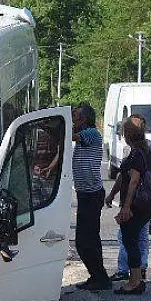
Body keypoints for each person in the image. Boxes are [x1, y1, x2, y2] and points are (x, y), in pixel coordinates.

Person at [38, 102, 110, 290]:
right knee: (84, 240)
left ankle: (100, 277)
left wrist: (50, 126)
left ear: (84, 119)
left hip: (92, 195)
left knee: (87, 240)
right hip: (85, 194)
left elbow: (68, 136)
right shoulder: (83, 136)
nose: (73, 121)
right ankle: (96, 276)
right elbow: (64, 148)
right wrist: (50, 168)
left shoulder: (91, 134)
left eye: (76, 117)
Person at [106, 114, 151, 281]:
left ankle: (134, 279)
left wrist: (126, 207)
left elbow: (133, 180)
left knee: (130, 240)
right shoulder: (146, 150)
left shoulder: (137, 154)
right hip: (146, 203)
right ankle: (137, 276)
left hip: (136, 205)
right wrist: (112, 194)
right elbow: (124, 176)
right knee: (137, 239)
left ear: (127, 134)